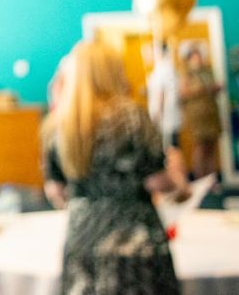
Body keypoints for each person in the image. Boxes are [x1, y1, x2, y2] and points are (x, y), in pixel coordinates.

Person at [44, 41, 189, 295]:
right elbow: (156, 181)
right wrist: (177, 175)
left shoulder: (60, 122)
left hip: (82, 238)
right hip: (133, 239)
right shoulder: (132, 117)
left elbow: (56, 191)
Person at [179, 45, 223, 179]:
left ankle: (212, 178)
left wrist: (214, 88)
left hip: (210, 114)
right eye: (195, 57)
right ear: (189, 59)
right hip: (197, 117)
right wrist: (203, 89)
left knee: (212, 146)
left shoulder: (207, 71)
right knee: (200, 148)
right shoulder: (186, 74)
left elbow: (214, 87)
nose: (198, 60)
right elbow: (184, 93)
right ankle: (200, 178)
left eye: (199, 56)